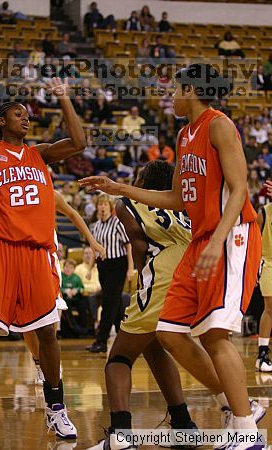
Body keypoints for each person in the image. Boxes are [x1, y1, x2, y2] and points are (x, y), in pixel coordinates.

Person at [80, 63, 265, 449]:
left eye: (177, 88)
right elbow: (179, 198)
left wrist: (217, 240)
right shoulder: (184, 135)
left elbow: (238, 189)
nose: (172, 95)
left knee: (215, 335)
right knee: (169, 332)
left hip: (231, 236)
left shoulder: (219, 125)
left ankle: (246, 430)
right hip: (203, 237)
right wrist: (120, 188)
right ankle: (238, 407)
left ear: (192, 90)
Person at [0, 77, 86, 440]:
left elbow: (80, 142)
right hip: (0, 249)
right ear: (1, 120)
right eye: (18, 114)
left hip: (38, 252)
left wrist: (64, 98)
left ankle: (56, 407)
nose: (26, 119)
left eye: (27, 115)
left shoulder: (40, 153)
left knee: (47, 333)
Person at [87, 161, 200, 450]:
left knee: (119, 359)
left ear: (142, 180)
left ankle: (120, 434)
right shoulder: (182, 206)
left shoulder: (128, 202)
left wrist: (141, 276)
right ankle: (184, 426)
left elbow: (138, 245)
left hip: (162, 276)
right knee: (152, 346)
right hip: (194, 276)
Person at [23, 189, 105, 384]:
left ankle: (49, 366)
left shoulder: (49, 193)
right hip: (21, 258)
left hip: (45, 259)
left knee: (48, 325)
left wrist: (92, 241)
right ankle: (38, 362)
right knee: (26, 323)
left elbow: (73, 214)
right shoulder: (13, 188)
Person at [86, 195, 134, 353]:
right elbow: (94, 249)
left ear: (110, 206)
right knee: (115, 303)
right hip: (102, 266)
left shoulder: (117, 223)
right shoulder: (95, 226)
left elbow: (128, 245)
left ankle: (101, 341)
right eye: (100, 204)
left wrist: (130, 268)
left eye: (105, 204)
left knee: (108, 302)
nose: (102, 207)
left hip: (118, 265)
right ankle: (125, 335)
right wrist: (89, 268)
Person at [256, 202, 272, 372]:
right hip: (269, 264)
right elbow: (254, 242)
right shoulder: (264, 212)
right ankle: (262, 355)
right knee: (270, 308)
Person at [75, 246, 102, 329]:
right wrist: (94, 288)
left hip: (101, 294)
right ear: (83, 256)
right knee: (92, 298)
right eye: (86, 253)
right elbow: (79, 286)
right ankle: (95, 325)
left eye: (90, 253)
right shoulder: (78, 269)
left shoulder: (99, 267)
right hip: (86, 296)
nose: (88, 255)